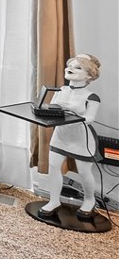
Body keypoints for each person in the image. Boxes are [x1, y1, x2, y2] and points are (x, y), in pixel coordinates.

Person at [38, 54, 103, 220]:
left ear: (89, 75)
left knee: (84, 172)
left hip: (81, 139)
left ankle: (89, 200)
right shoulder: (61, 90)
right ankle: (53, 200)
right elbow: (52, 109)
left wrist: (72, 110)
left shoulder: (91, 97)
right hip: (61, 135)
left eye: (77, 67)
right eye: (70, 66)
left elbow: (90, 118)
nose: (70, 69)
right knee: (53, 167)